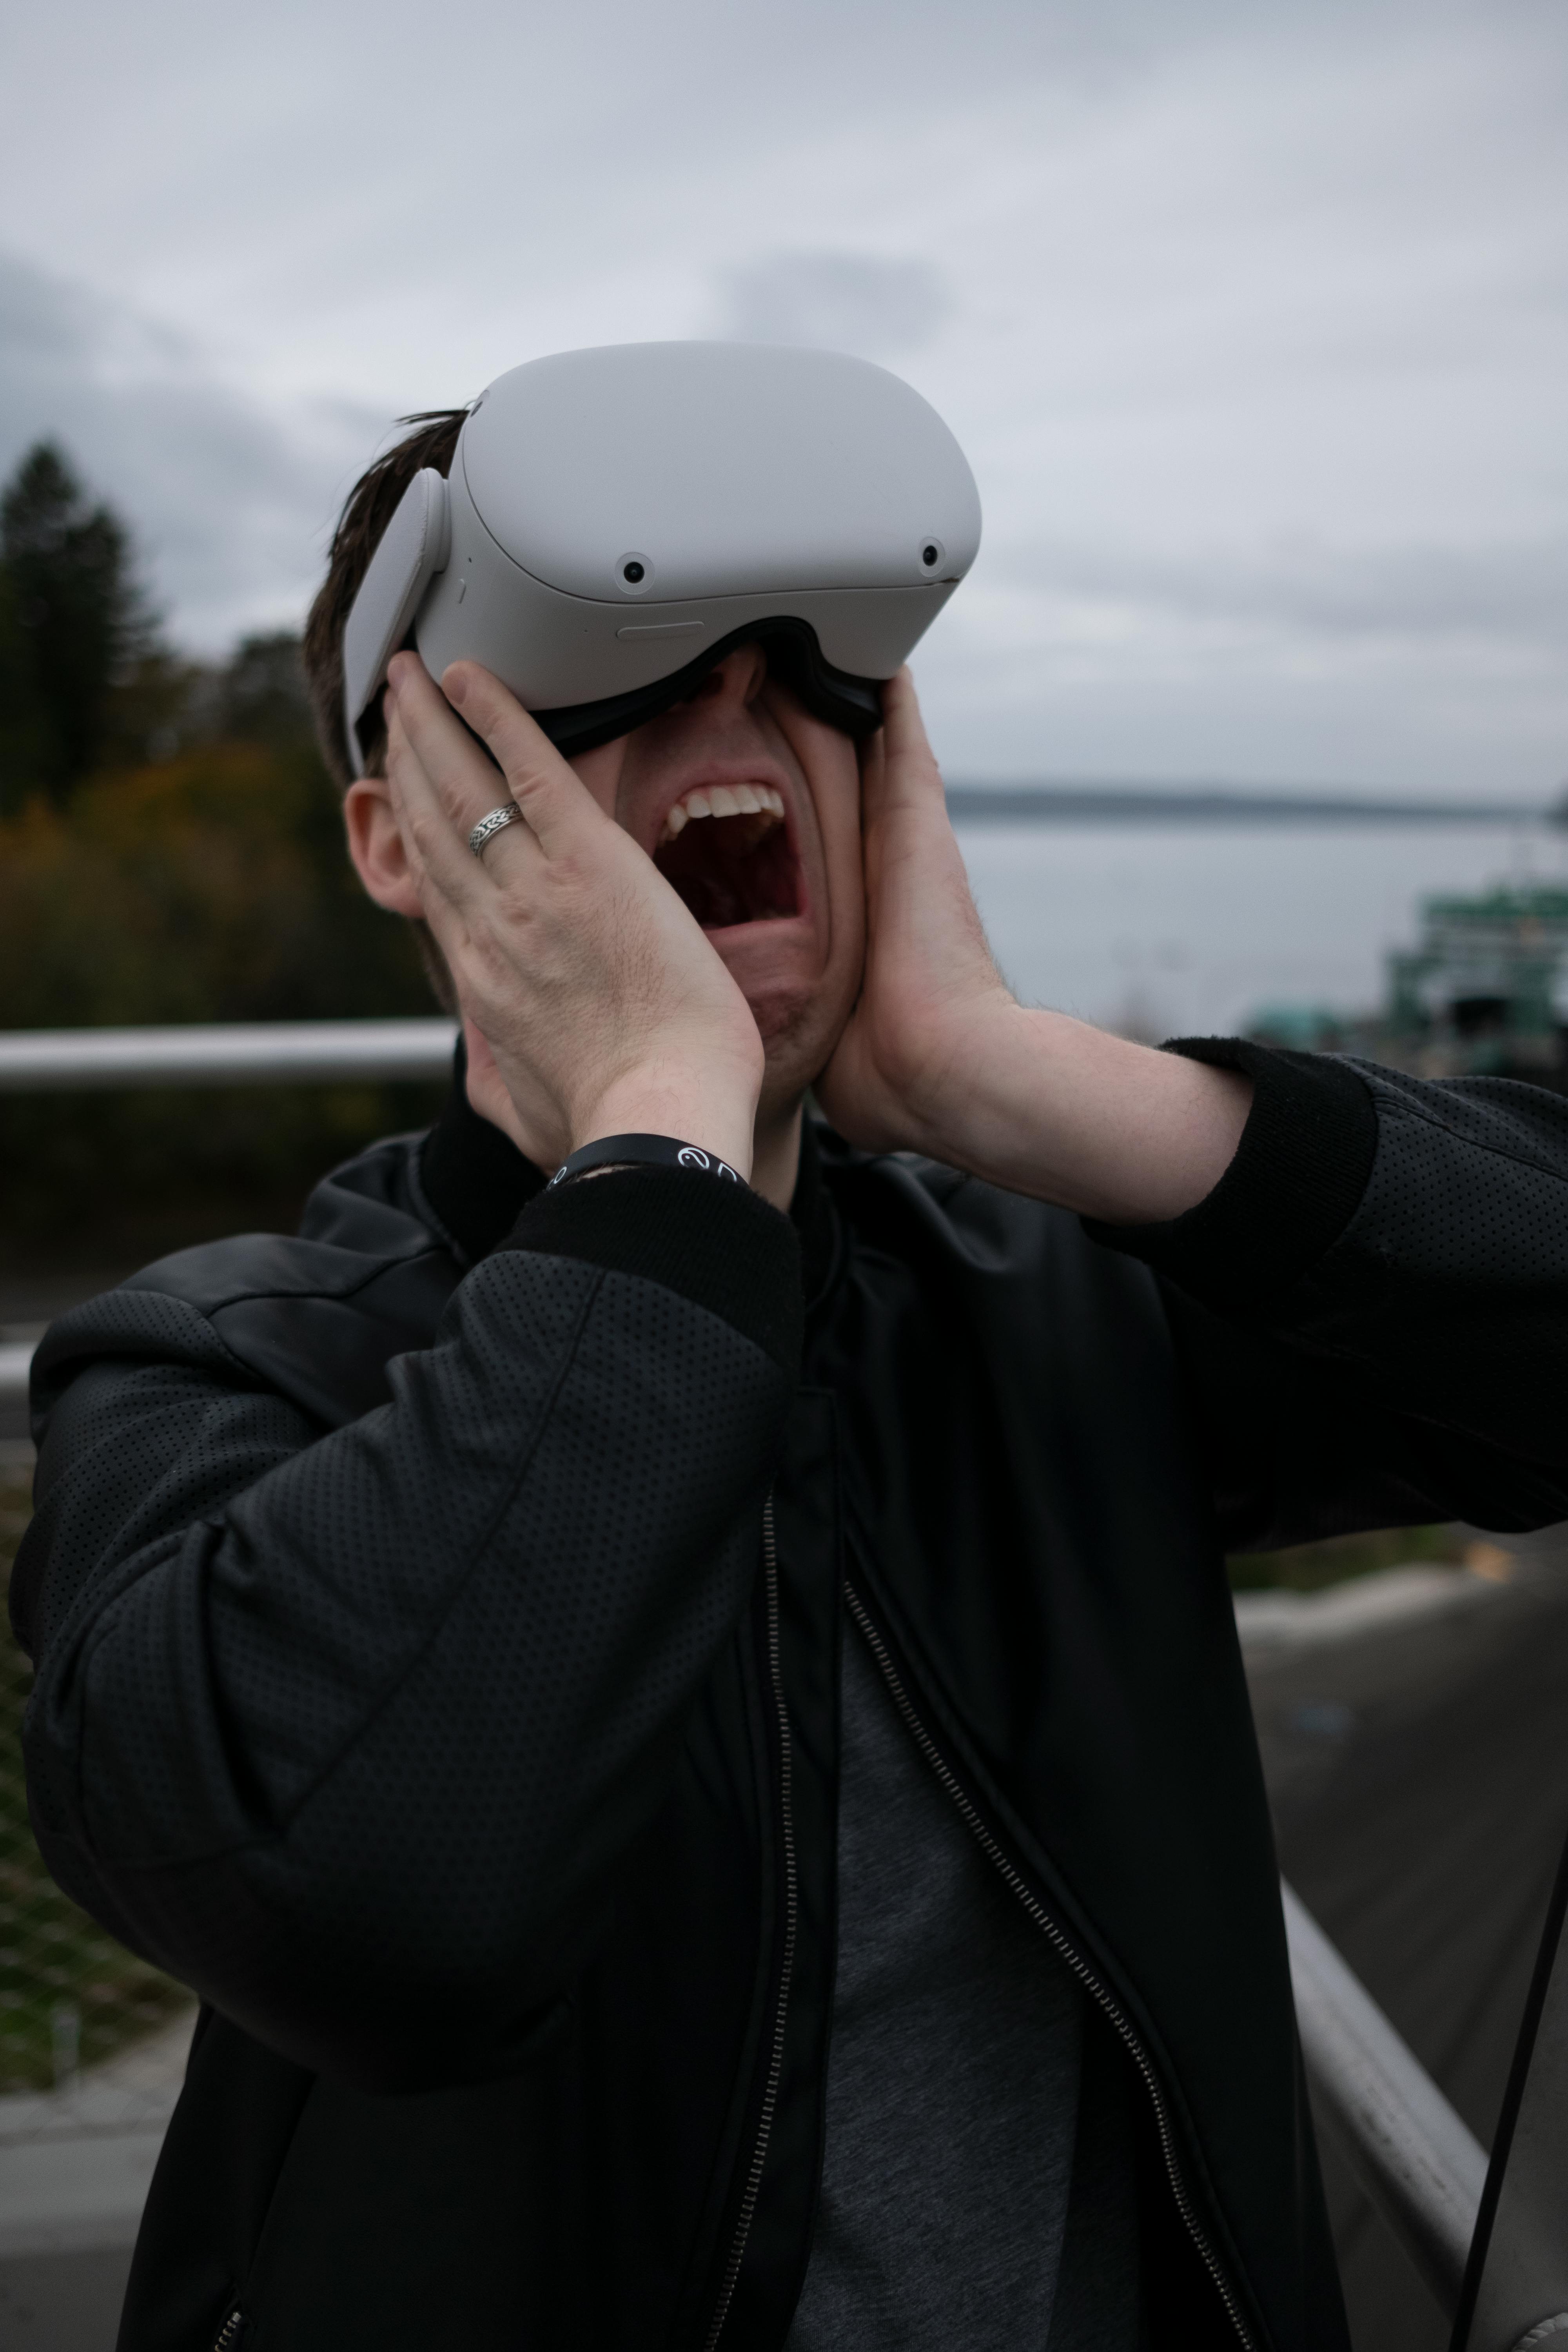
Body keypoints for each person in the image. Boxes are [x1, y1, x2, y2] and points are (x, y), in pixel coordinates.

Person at [15, 404, 1568, 2352]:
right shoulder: (211, 1376)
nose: (735, 694)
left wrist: (1020, 1083)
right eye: (606, 671)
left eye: (817, 677)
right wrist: (661, 1136)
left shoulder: (1036, 1303)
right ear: (402, 836)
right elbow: (379, 1910)